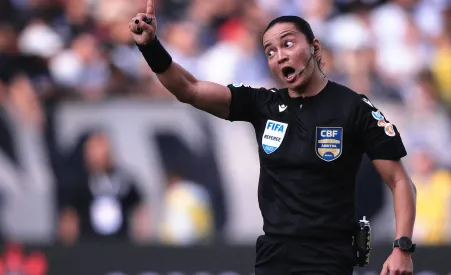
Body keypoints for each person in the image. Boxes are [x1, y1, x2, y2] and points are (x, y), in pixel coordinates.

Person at [128, 1, 417, 274]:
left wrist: (402, 247)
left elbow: (400, 181)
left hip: (328, 257)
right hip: (273, 256)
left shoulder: (353, 107)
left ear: (315, 47)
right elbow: (189, 89)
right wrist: (151, 47)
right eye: (269, 51)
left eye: (288, 44)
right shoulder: (262, 104)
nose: (280, 55)